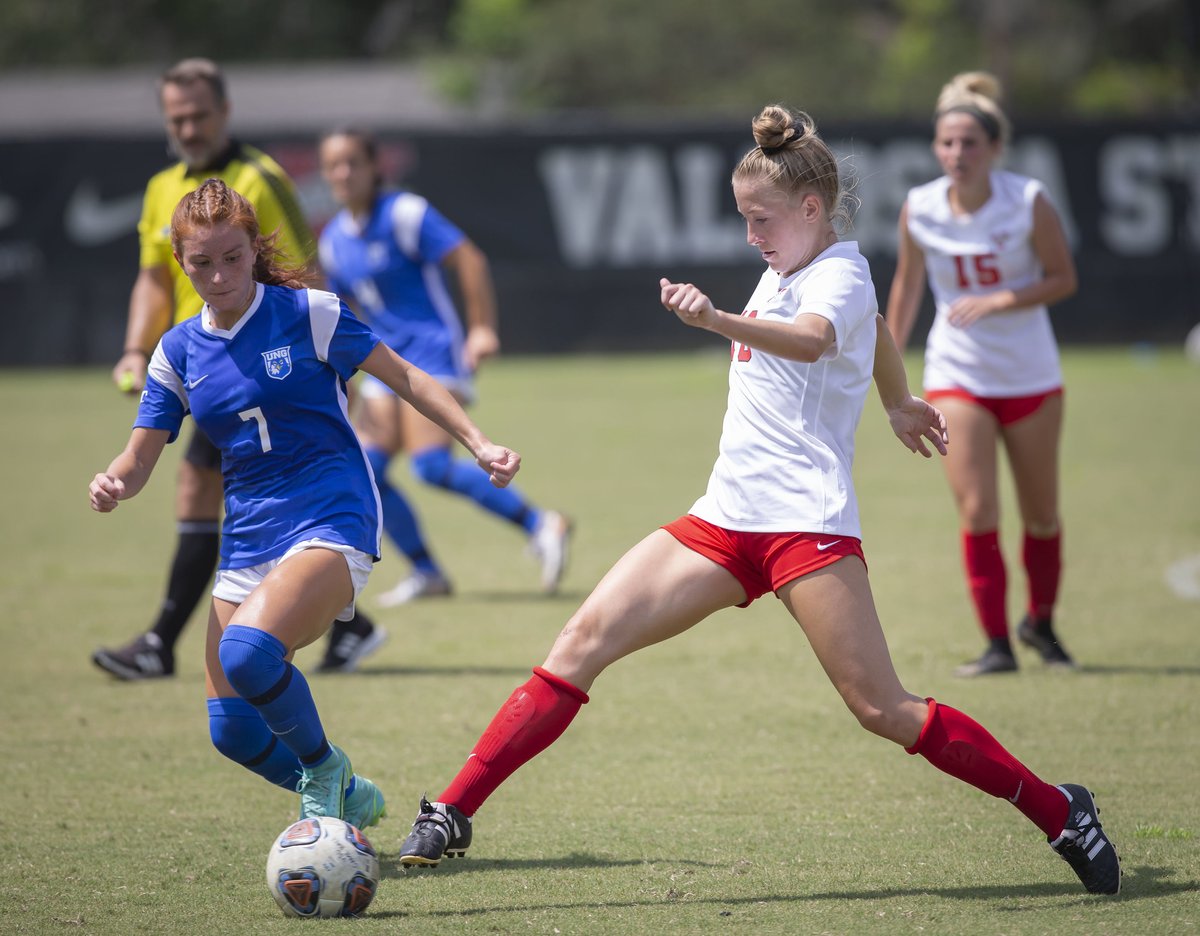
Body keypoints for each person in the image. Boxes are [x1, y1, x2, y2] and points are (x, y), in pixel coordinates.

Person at [392, 105, 1120, 897]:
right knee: (580, 641)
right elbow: (873, 332)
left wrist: (716, 319)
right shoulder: (785, 265)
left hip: (805, 525)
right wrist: (898, 401)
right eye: (744, 219)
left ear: (811, 209)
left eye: (760, 218)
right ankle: (453, 808)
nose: (751, 236)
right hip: (722, 519)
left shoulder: (837, 270)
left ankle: (1060, 810)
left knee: (882, 708)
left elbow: (817, 337)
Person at [88, 179, 520, 831]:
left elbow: (404, 375)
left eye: (232, 257)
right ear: (181, 263)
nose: (219, 274)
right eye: (201, 263)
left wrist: (478, 442)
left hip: (331, 513)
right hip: (249, 536)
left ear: (253, 249)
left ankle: (323, 772)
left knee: (246, 654)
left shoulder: (308, 313)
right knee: (230, 730)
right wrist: (116, 480)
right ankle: (348, 796)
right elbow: (140, 455)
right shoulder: (176, 352)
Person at [92, 58, 385, 680]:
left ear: (224, 112)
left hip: (261, 368)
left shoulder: (258, 178)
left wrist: (333, 366)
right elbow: (150, 278)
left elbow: (306, 272)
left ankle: (163, 640)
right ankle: (344, 621)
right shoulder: (161, 187)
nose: (190, 127)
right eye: (178, 117)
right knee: (207, 495)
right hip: (199, 365)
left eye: (200, 115)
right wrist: (133, 348)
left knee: (206, 491)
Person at [316, 128, 571, 606]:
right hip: (385, 364)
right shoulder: (333, 240)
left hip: (433, 354)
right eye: (334, 165)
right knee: (364, 472)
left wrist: (480, 328)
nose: (344, 173)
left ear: (375, 167)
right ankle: (428, 572)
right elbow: (344, 311)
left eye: (353, 161)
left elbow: (469, 259)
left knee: (430, 466)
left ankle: (542, 524)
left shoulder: (405, 213)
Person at [884, 72, 1078, 678]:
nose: (957, 154)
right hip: (957, 373)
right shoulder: (921, 206)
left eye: (970, 143)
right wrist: (886, 362)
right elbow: (908, 285)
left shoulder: (1026, 200)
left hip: (1030, 375)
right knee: (978, 510)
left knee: (1041, 513)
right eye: (947, 143)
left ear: (995, 148)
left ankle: (1040, 624)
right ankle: (996, 644)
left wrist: (999, 301)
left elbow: (1062, 277)